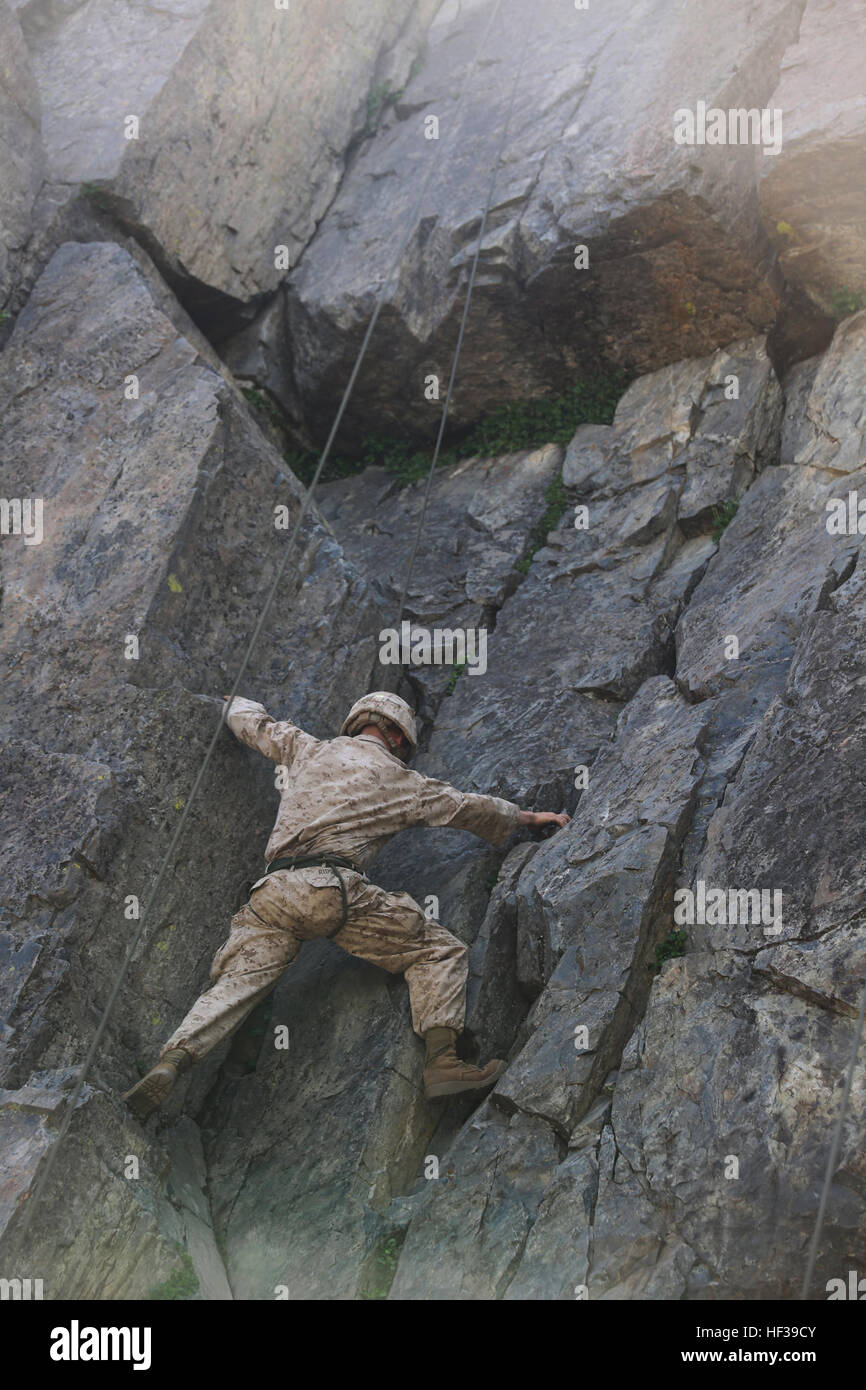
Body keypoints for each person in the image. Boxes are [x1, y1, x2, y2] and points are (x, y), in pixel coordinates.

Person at [123, 692, 569, 1119]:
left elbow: (255, 725)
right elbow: (470, 809)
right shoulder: (401, 780)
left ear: (359, 722)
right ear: (397, 737)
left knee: (236, 982)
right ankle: (442, 1063)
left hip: (273, 893)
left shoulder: (307, 749)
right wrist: (533, 818)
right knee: (438, 949)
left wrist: (233, 703)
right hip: (330, 888)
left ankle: (175, 1059)